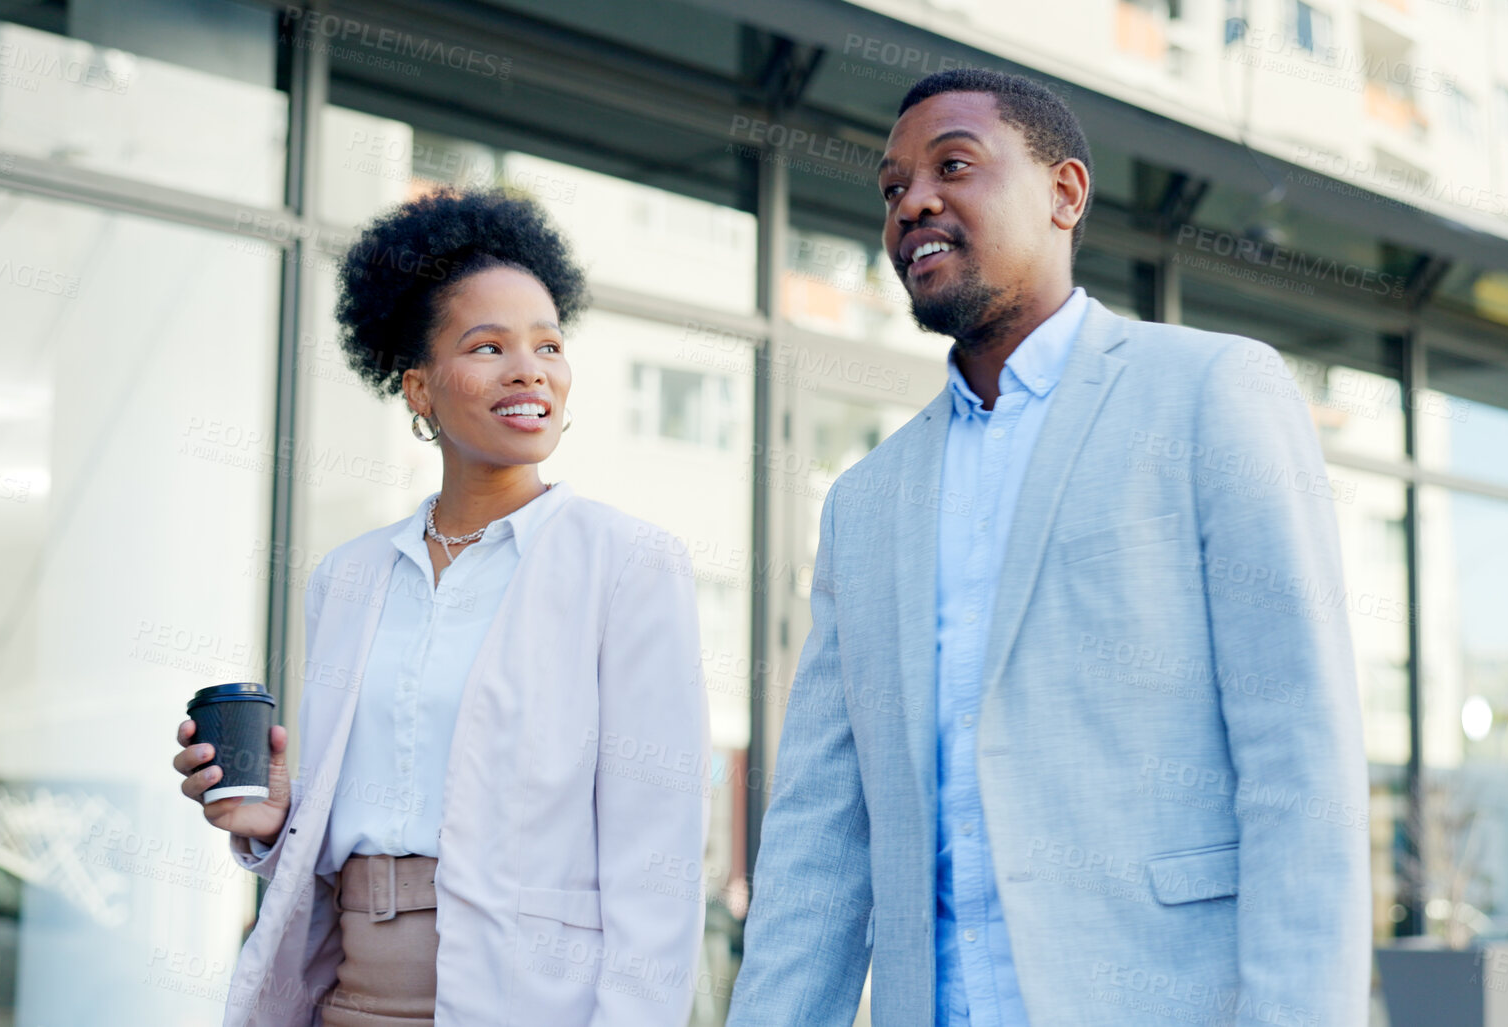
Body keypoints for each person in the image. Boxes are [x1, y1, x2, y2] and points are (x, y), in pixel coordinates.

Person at [727, 69, 1369, 1026]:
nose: (915, 203)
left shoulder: (1211, 393)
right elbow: (820, 837)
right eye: (893, 187)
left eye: (953, 166)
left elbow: (1300, 759)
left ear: (1065, 193)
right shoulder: (865, 501)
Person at [172, 188, 710, 1026]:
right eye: (487, 346)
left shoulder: (628, 564)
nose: (529, 369)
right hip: (347, 992)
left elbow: (657, 859)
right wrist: (278, 819)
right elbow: (360, 817)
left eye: (548, 345)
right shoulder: (350, 575)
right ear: (418, 387)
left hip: (525, 1000)